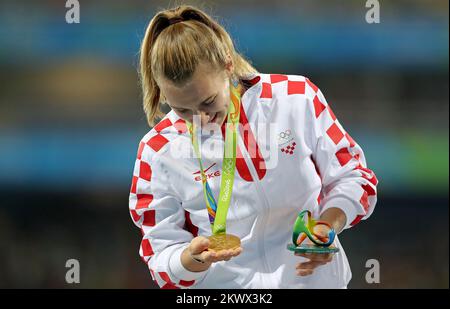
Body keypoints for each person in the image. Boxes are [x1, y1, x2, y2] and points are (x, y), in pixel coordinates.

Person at [129, 5, 378, 289]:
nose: (200, 119)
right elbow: (159, 254)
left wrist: (326, 227)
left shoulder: (295, 99)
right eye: (182, 110)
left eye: (208, 102)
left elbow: (354, 176)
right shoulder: (157, 150)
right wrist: (189, 258)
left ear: (227, 64)